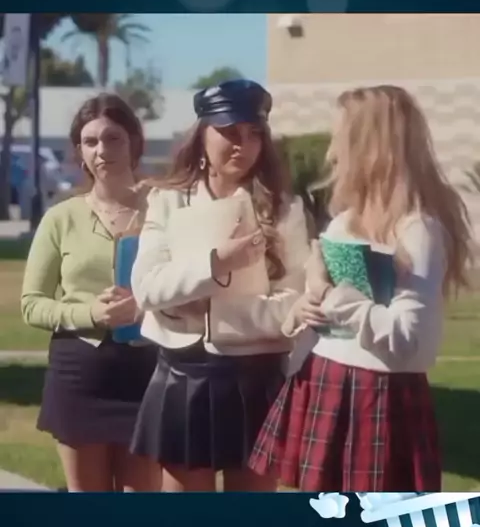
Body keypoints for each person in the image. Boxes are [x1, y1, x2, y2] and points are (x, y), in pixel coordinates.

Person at [249, 85, 474, 493]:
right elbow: (325, 312)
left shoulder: (417, 229)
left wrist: (331, 295)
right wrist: (306, 305)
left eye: (340, 138)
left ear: (368, 147)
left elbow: (409, 340)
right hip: (324, 379)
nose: (331, 154)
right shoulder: (344, 222)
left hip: (377, 395)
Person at [130, 79, 311, 492]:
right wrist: (216, 265)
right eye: (229, 131)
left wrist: (215, 313)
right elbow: (146, 287)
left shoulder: (285, 209)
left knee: (250, 522)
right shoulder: (168, 200)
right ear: (201, 134)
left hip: (257, 376)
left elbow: (295, 303)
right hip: (184, 375)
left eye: (253, 133)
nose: (241, 145)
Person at [21, 93, 161, 492]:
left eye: (113, 138)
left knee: (140, 512)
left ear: (134, 142)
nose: (102, 150)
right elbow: (31, 304)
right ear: (80, 151)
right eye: (90, 141)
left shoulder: (164, 211)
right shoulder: (60, 218)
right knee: (86, 511)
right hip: (79, 376)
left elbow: (188, 288)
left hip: (150, 373)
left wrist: (146, 308)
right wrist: (91, 314)